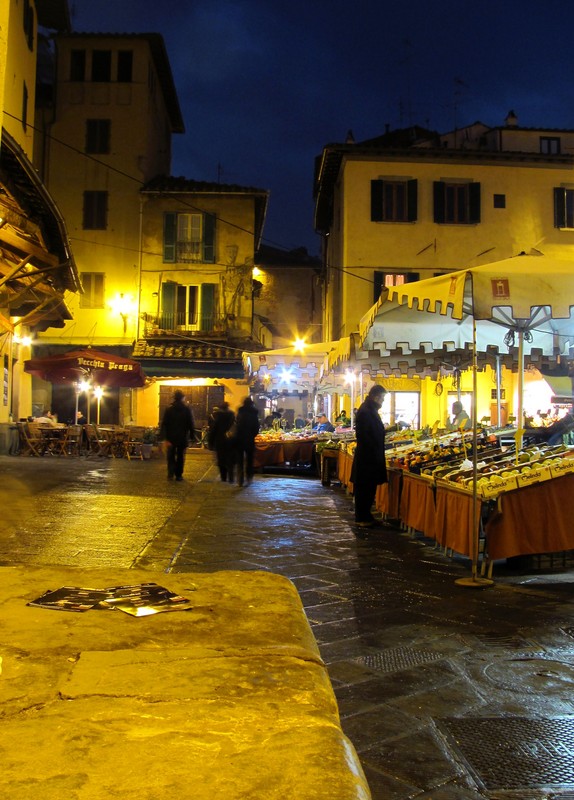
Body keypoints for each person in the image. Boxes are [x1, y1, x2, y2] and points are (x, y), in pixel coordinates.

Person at [352, 385, 388, 529]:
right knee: (365, 489)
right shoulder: (367, 411)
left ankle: (366, 516)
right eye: (382, 398)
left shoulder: (368, 409)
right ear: (376, 397)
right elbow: (365, 435)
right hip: (368, 458)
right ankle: (362, 518)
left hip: (369, 457)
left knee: (368, 489)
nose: (383, 401)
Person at [159, 389, 196, 481]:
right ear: (182, 398)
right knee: (180, 456)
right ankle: (179, 475)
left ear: (174, 398)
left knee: (170, 455)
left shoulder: (169, 409)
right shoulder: (187, 409)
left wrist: (163, 436)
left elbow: (164, 423)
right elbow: (190, 423)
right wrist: (192, 435)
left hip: (171, 437)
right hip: (182, 437)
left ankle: (171, 472)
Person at [233, 397, 260, 487]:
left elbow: (236, 425)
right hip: (249, 439)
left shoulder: (240, 412)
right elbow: (256, 427)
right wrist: (252, 435)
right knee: (249, 459)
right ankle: (249, 477)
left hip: (239, 439)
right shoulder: (254, 414)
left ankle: (240, 479)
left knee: (240, 459)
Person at [207, 401, 236, 482]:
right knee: (230, 459)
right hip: (231, 441)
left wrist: (211, 442)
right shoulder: (232, 416)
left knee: (221, 460)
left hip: (220, 441)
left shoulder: (218, 417)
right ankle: (231, 476)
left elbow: (214, 430)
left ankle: (224, 477)